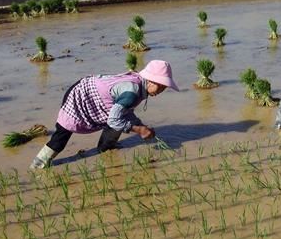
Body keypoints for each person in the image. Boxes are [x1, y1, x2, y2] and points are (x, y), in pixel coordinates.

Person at [29, 60, 179, 169]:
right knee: (60, 138)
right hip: (79, 97)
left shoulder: (139, 85)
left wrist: (139, 125)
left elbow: (124, 112)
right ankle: (37, 166)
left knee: (121, 118)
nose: (161, 92)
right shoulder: (132, 92)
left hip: (95, 96)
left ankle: (106, 148)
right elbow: (114, 120)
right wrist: (139, 129)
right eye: (161, 87)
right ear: (151, 81)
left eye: (164, 88)